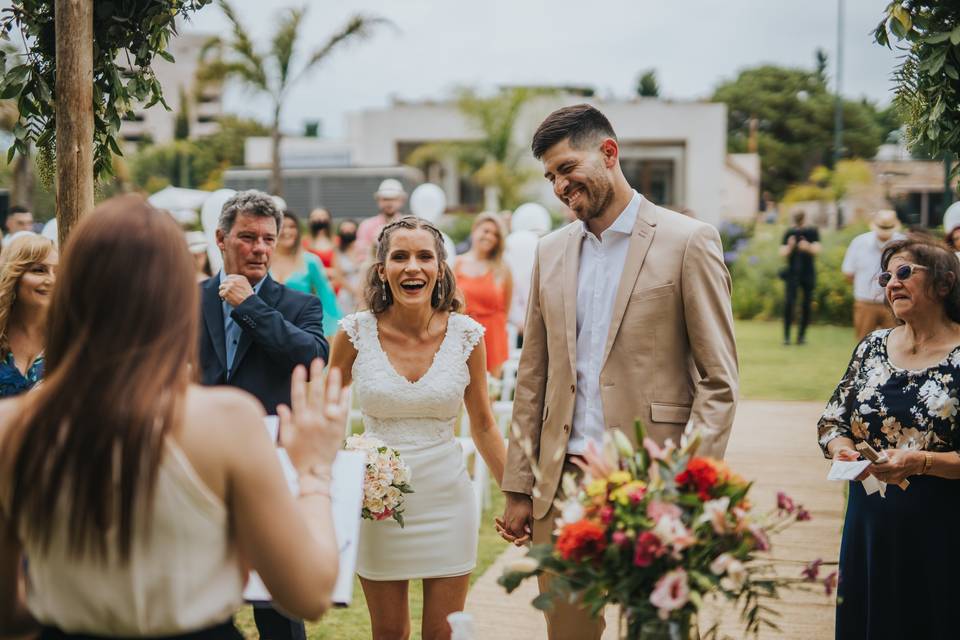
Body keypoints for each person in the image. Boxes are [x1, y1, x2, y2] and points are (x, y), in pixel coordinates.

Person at [0, 194, 345, 638]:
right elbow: (308, 594)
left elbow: (9, 615)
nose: (260, 247)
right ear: (175, 292)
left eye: (268, 239)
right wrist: (315, 473)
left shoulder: (11, 426)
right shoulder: (229, 421)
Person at [497, 104, 739, 640]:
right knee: (568, 629)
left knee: (656, 628)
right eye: (551, 176)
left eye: (566, 168)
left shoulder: (688, 241)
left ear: (609, 153)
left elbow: (718, 381)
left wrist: (688, 483)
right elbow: (532, 377)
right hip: (563, 480)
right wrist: (519, 486)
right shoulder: (550, 251)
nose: (559, 185)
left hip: (653, 477)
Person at [328, 216, 507, 640]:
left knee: (441, 635)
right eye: (400, 256)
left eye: (425, 256)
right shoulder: (354, 333)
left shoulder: (467, 336)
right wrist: (328, 481)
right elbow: (323, 411)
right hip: (376, 506)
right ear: (381, 269)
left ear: (441, 268)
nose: (413, 267)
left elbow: (483, 425)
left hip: (448, 501)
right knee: (388, 633)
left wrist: (518, 497)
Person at [198, 191, 329, 640]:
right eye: (247, 237)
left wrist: (248, 306)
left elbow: (312, 359)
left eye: (268, 239)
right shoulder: (184, 301)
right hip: (197, 466)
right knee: (200, 592)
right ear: (221, 237)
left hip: (271, 466)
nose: (259, 248)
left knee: (277, 603)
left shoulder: (299, 305)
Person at [818, 236, 960, 640]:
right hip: (870, 524)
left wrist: (921, 462)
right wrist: (842, 449)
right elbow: (832, 420)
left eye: (904, 273)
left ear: (944, 283)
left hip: (941, 528)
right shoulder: (872, 346)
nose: (891, 283)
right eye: (886, 275)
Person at [454, 212, 512, 378]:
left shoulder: (502, 269)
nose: (490, 237)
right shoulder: (457, 264)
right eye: (486, 231)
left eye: (495, 234)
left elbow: (505, 308)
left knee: (489, 392)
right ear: (475, 230)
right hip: (461, 335)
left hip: (492, 336)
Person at [0, 234, 57, 397]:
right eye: (39, 270)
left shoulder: (69, 335)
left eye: (58, 272)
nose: (52, 280)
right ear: (14, 275)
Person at [272, 210, 342, 337]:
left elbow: (327, 298)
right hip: (268, 331)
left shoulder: (311, 261)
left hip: (301, 333)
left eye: (292, 226)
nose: (287, 231)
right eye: (282, 226)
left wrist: (328, 335)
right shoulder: (263, 260)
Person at [842, 209, 905, 340]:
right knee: (863, 344)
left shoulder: (903, 243)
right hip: (865, 302)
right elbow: (848, 273)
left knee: (895, 343)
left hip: (893, 303)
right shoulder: (859, 242)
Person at [780, 210, 820, 345]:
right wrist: (791, 246)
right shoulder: (789, 232)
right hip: (792, 273)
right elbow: (782, 252)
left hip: (807, 273)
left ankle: (801, 336)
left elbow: (817, 249)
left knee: (806, 304)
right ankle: (786, 337)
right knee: (789, 304)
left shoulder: (811, 231)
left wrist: (806, 246)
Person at [356, 179, 407, 258]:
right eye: (385, 199)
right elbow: (361, 255)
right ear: (378, 200)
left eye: (393, 199)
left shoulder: (408, 224)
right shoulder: (366, 225)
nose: (389, 203)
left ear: (402, 201)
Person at [304, 207, 344, 291]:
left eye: (322, 215)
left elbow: (340, 271)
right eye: (314, 216)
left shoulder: (337, 241)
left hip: (334, 289)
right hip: (311, 288)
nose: (319, 219)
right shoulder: (304, 243)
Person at [335, 219, 363, 313]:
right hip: (346, 293)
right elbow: (338, 276)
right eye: (344, 230)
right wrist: (354, 291)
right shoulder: (337, 252)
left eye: (350, 229)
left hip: (365, 291)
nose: (347, 232)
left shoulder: (364, 249)